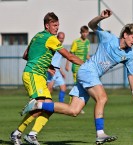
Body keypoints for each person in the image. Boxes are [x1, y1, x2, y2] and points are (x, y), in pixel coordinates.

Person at [21, 9, 133, 145]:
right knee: (102, 98)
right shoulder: (109, 37)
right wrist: (100, 17)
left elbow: (131, 74)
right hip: (88, 70)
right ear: (125, 35)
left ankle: (38, 107)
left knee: (73, 110)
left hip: (91, 75)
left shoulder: (129, 54)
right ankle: (100, 134)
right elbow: (92, 25)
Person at [10, 12, 83, 145]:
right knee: (39, 107)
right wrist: (87, 65)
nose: (57, 28)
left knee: (49, 106)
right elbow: (69, 56)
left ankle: (32, 135)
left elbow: (26, 54)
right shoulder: (51, 38)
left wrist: (46, 64)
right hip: (33, 74)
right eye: (54, 25)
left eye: (58, 25)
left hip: (37, 75)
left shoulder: (37, 36)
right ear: (47, 25)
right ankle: (17, 134)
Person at [65, 25, 90, 113]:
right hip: (76, 67)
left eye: (86, 32)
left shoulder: (87, 42)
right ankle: (71, 104)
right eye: (83, 32)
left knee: (83, 86)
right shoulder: (76, 42)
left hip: (84, 67)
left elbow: (86, 55)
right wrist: (67, 64)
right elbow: (70, 54)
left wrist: (90, 62)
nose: (85, 34)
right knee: (77, 85)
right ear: (81, 33)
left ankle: (78, 105)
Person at [47, 32, 67, 102]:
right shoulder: (53, 47)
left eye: (63, 38)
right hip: (52, 71)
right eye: (60, 38)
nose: (61, 40)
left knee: (63, 87)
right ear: (57, 38)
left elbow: (57, 62)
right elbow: (48, 59)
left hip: (57, 71)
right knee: (49, 89)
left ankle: (61, 104)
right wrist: (49, 69)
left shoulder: (61, 47)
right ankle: (45, 104)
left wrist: (62, 71)